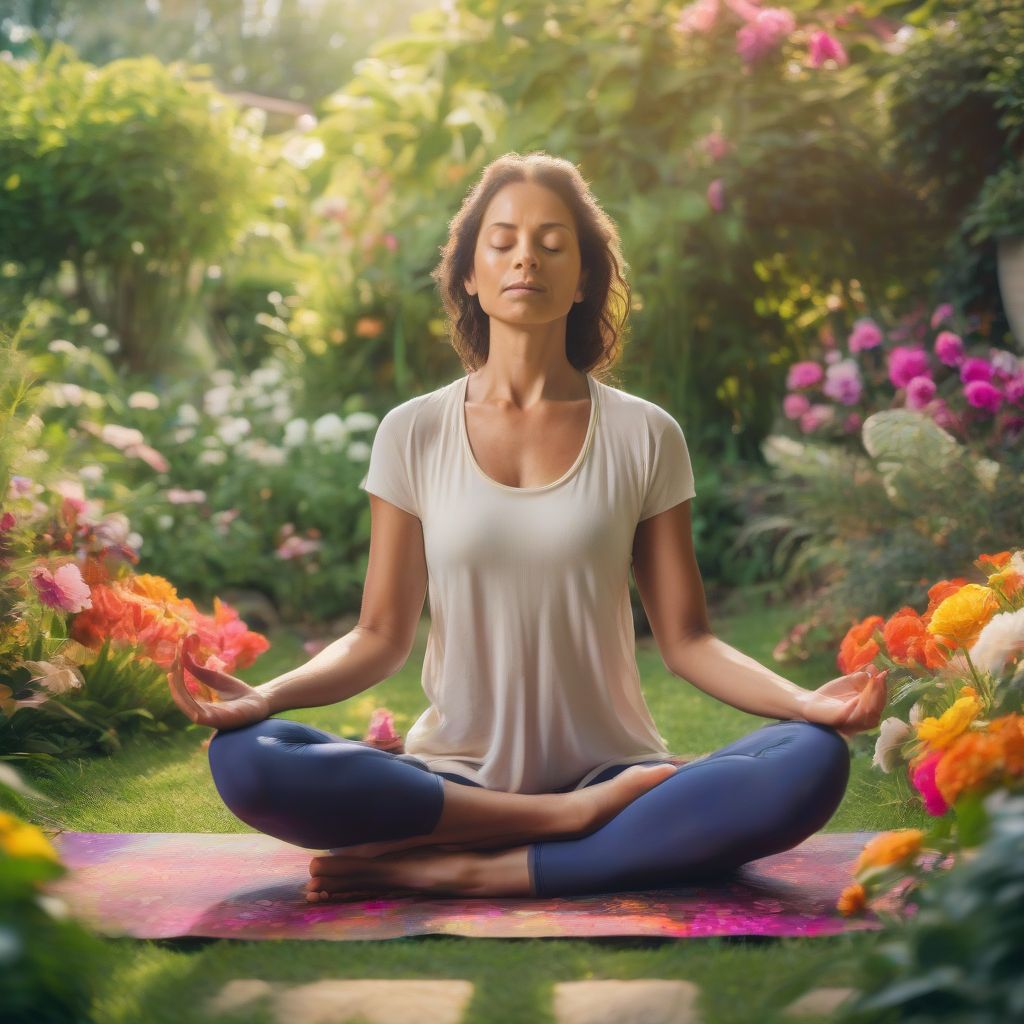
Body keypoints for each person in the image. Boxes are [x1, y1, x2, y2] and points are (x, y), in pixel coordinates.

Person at [166, 152, 887, 903]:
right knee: (248, 758)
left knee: (810, 758)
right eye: (502, 240)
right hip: (453, 779)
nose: (525, 258)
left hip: (614, 774)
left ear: (582, 280)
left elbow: (688, 640)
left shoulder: (646, 435)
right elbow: (379, 636)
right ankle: (568, 825)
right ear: (470, 275)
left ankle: (477, 864)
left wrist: (807, 706)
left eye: (551, 243)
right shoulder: (413, 432)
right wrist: (265, 699)